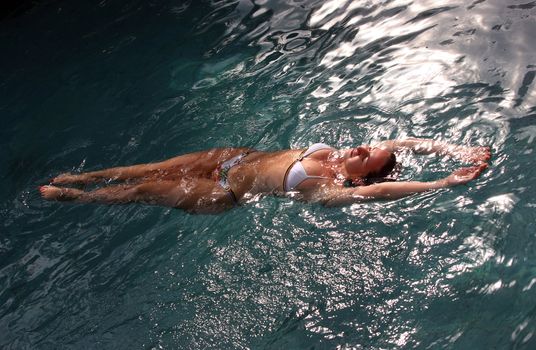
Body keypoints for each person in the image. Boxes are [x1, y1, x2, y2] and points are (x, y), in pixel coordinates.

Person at [39, 138, 490, 213]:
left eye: (366, 157)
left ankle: (78, 198)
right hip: (232, 158)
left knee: (141, 189)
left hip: (218, 191)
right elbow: (404, 143)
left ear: (360, 178)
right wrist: (453, 150)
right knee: (144, 168)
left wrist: (441, 183)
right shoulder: (334, 155)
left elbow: (385, 190)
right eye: (368, 147)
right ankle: (86, 177)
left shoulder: (326, 190)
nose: (363, 147)